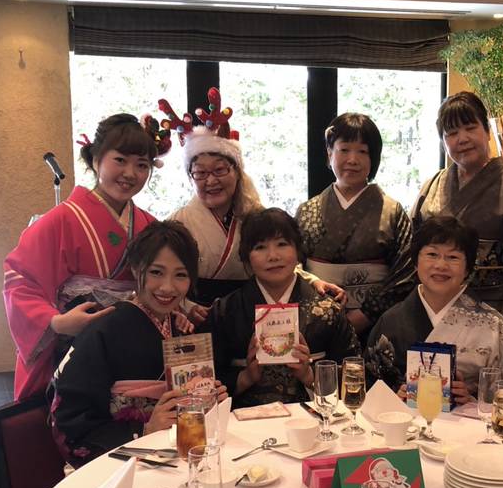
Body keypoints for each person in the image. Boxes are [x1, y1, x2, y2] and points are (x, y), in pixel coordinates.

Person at [3, 113, 168, 400]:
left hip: (129, 349)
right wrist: (56, 322)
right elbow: (20, 279)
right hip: (72, 348)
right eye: (120, 160)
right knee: (81, 416)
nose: (130, 173)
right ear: (95, 159)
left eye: (142, 165)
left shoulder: (149, 225)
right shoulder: (59, 221)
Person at [49, 220, 227, 467]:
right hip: (122, 463)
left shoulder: (180, 328)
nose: (168, 287)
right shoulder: (104, 329)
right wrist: (144, 429)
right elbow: (70, 418)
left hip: (176, 453)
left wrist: (208, 398)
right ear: (135, 268)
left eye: (181, 275)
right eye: (156, 272)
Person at [165, 87, 343, 320]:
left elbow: (277, 258)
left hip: (248, 311)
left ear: (237, 171)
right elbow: (164, 273)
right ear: (191, 177)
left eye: (220, 170)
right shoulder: (179, 221)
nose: (211, 181)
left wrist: (312, 280)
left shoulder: (255, 215)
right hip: (198, 316)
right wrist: (186, 306)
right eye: (200, 173)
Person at [411, 91, 503, 331]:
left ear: (487, 131)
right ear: (443, 142)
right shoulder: (432, 185)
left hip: (493, 314)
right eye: (452, 133)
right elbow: (413, 252)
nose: (462, 139)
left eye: (470, 128)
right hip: (435, 311)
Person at [207, 208, 360, 409]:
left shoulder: (327, 310)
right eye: (260, 247)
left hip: (313, 420)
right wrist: (245, 377)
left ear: (298, 250)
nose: (273, 256)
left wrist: (310, 376)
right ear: (246, 257)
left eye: (282, 244)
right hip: (244, 422)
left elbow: (354, 375)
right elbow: (206, 381)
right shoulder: (226, 311)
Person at [367, 216, 503, 404]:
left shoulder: (496, 328)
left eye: (453, 257)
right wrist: (394, 400)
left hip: (469, 422)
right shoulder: (390, 322)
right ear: (415, 262)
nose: (441, 265)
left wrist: (473, 403)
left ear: (468, 268)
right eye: (432, 254)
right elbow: (370, 393)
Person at [295, 113, 414, 336]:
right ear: (330, 153)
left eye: (363, 151)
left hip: (377, 323)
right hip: (318, 321)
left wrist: (366, 314)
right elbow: (292, 265)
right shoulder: (306, 210)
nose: (353, 159)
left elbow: (406, 272)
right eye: (344, 149)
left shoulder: (393, 212)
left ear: (374, 158)